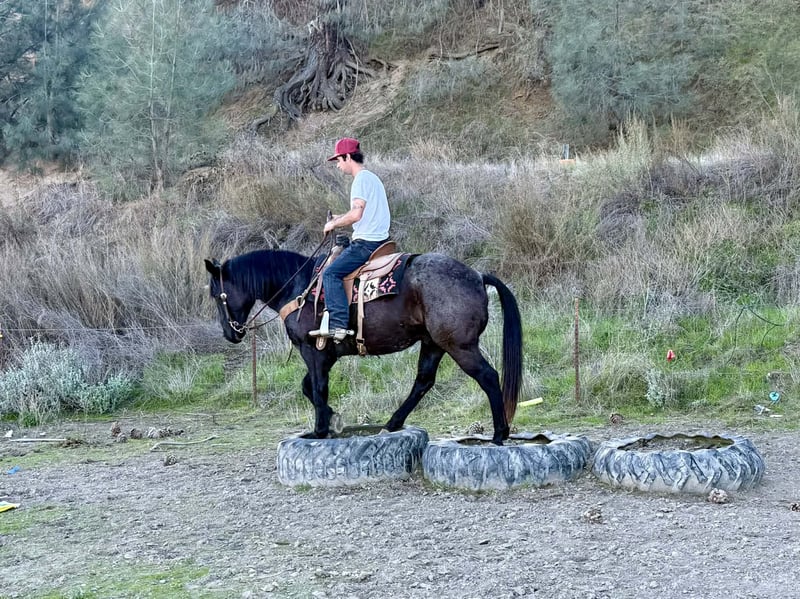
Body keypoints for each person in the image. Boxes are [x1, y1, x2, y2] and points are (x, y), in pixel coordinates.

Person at [319, 137, 391, 341]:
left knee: (330, 273)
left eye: (339, 160)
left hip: (366, 244)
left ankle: (339, 325)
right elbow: (359, 212)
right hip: (382, 241)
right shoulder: (372, 178)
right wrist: (338, 217)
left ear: (348, 157)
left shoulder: (360, 180)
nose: (338, 165)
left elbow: (357, 214)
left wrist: (333, 224)